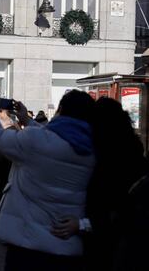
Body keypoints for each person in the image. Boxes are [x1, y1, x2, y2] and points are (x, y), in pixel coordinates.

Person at [0, 90, 96, 270]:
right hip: (67, 246)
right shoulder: (93, 149)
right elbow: (56, 139)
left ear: (60, 110)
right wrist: (26, 120)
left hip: (28, 246)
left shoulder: (35, 142)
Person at [52, 97, 149, 271]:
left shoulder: (110, 162)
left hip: (110, 249)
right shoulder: (132, 155)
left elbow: (118, 211)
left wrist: (82, 224)